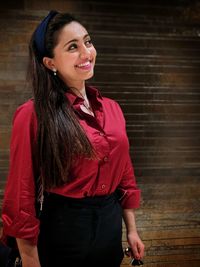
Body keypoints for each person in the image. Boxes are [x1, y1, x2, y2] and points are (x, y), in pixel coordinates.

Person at [1, 10, 145, 267]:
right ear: (50, 63)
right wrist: (30, 258)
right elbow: (21, 194)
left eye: (87, 42)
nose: (86, 53)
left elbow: (124, 172)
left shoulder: (113, 108)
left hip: (109, 223)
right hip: (63, 226)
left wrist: (131, 229)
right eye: (72, 47)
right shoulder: (32, 115)